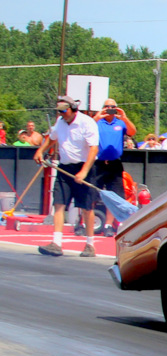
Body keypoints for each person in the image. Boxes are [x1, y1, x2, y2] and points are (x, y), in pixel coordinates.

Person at [34, 96, 99, 258]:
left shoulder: (87, 122)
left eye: (64, 110)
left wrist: (84, 171)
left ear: (73, 109)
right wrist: (40, 151)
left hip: (84, 167)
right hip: (65, 167)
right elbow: (52, 138)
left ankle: (90, 244)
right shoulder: (60, 123)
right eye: (60, 111)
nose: (62, 114)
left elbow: (93, 149)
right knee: (59, 203)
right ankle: (56, 243)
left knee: (86, 207)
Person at [92, 99, 136, 232]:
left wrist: (124, 117)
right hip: (98, 162)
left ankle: (109, 225)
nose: (110, 109)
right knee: (91, 193)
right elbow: (86, 128)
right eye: (107, 107)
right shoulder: (98, 122)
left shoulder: (120, 123)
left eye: (113, 107)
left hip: (114, 163)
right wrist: (97, 116)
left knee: (114, 195)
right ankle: (84, 223)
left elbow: (132, 132)